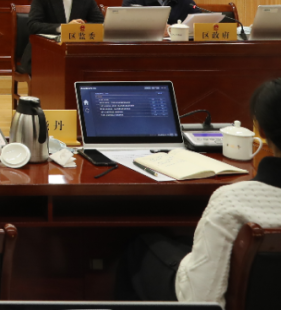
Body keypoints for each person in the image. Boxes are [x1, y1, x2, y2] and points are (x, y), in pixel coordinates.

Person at [117, 78, 281, 304]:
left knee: (142, 246)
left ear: (260, 129)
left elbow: (198, 298)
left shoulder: (233, 200)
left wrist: (189, 261)